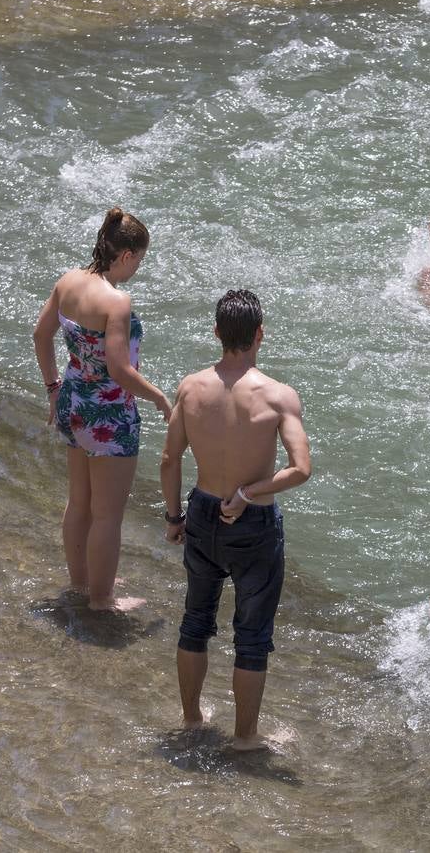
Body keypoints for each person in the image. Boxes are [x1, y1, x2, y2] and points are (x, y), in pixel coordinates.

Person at [160, 289, 312, 750]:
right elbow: (301, 468)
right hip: (253, 522)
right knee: (252, 635)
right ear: (260, 334)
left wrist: (173, 517)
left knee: (195, 621)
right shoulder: (278, 395)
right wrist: (249, 492)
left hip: (203, 511)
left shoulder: (190, 388)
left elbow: (169, 459)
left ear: (217, 333)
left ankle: (191, 719)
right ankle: (245, 738)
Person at [33, 207, 171, 612]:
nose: (138, 269)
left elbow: (41, 335)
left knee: (79, 503)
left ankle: (83, 583)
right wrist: (159, 397)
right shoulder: (116, 301)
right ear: (126, 255)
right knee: (108, 516)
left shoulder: (69, 282)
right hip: (109, 416)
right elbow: (119, 370)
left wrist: (52, 387)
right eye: (139, 261)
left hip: (73, 402)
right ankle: (103, 600)